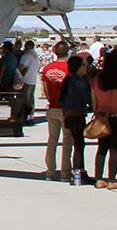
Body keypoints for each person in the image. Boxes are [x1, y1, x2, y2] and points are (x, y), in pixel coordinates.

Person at [90, 46, 117, 189]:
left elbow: (94, 103)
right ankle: (112, 180)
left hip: (101, 117)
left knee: (101, 148)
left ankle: (98, 178)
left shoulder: (96, 81)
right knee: (115, 149)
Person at [40, 41, 73, 180]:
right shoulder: (69, 69)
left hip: (53, 107)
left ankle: (50, 171)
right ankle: (65, 172)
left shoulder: (47, 69)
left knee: (52, 141)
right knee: (67, 142)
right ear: (67, 52)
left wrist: (51, 100)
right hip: (66, 109)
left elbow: (46, 89)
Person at [59, 53, 93, 185]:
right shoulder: (79, 81)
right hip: (78, 116)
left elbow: (60, 99)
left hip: (68, 115)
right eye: (84, 66)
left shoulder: (68, 79)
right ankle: (78, 173)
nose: (85, 68)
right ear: (79, 67)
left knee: (77, 144)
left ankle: (79, 172)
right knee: (79, 145)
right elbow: (88, 99)